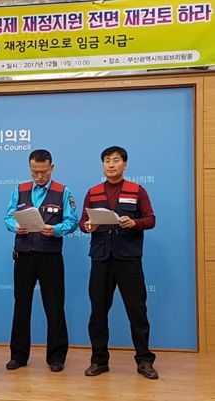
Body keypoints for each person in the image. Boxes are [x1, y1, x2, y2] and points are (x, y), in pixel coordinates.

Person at [80, 146, 158, 380]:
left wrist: (134, 223)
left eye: (115, 160)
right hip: (101, 258)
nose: (111, 165)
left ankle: (144, 361)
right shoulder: (93, 192)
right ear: (102, 165)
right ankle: (99, 360)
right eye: (107, 161)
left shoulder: (137, 190)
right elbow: (83, 222)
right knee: (97, 312)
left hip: (128, 259)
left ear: (125, 165)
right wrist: (88, 226)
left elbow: (150, 219)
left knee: (137, 311)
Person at [4, 149, 78, 372]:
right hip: (24, 255)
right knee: (21, 306)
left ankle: (56, 357)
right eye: (35, 171)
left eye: (43, 172)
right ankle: (18, 356)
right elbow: (8, 216)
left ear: (51, 168)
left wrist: (55, 229)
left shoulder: (63, 191)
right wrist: (15, 226)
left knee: (54, 307)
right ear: (30, 168)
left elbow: (72, 221)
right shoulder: (19, 190)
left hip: (50, 257)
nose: (39, 176)